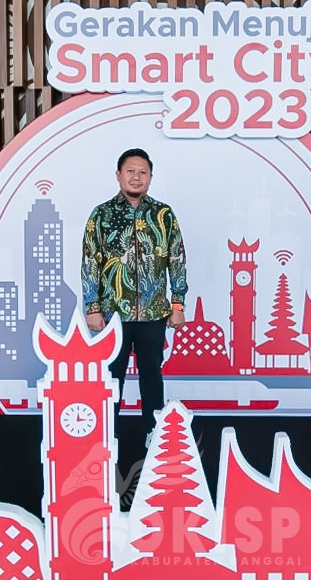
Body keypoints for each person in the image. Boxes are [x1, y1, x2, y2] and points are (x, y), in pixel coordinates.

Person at [81, 148, 188, 446]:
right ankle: (108, 436)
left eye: (143, 172)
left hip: (154, 313)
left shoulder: (163, 215)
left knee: (152, 375)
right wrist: (92, 307)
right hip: (112, 313)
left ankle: (155, 433)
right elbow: (90, 262)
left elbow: (177, 259)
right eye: (131, 171)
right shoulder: (101, 215)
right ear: (119, 175)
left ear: (150, 177)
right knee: (111, 377)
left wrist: (177, 303)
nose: (137, 177)